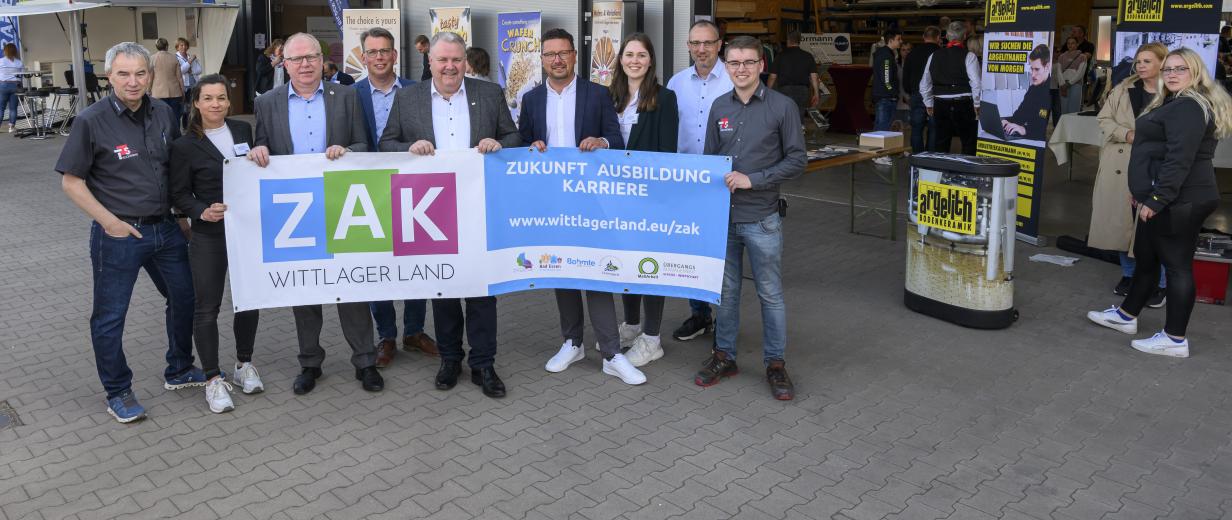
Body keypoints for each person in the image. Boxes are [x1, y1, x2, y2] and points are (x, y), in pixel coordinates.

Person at [55, 42, 202, 423]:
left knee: (185, 298)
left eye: (140, 73)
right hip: (119, 234)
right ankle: (118, 391)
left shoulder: (165, 115)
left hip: (166, 230)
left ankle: (180, 369)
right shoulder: (91, 120)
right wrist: (109, 222)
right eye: (124, 74)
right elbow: (72, 182)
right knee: (109, 317)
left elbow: (173, 172)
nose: (133, 82)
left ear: (151, 75)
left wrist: (183, 220)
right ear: (109, 76)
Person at [380, 31, 522, 398]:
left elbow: (513, 136)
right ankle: (449, 358)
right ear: (430, 63)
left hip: (479, 207)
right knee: (443, 288)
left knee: (480, 290)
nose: (449, 66)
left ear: (465, 62)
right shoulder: (407, 98)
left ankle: (484, 363)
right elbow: (386, 144)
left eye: (456, 60)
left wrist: (498, 143)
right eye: (442, 60)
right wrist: (409, 148)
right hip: (432, 212)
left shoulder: (488, 94)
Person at [245, 32, 383, 394]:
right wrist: (258, 151)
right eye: (296, 59)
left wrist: (346, 149)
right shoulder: (267, 103)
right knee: (304, 289)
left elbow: (362, 145)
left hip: (343, 206)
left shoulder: (347, 96)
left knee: (351, 287)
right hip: (295, 212)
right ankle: (310, 363)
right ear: (284, 64)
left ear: (323, 61)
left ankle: (365, 361)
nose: (305, 65)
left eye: (312, 57)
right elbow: (262, 145)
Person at [517, 28, 643, 385]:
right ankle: (572, 342)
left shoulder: (597, 94)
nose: (557, 60)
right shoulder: (531, 99)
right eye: (549, 54)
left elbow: (616, 140)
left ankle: (611, 352)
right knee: (562, 270)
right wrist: (531, 146)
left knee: (597, 270)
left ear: (574, 56)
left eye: (563, 53)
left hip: (591, 200)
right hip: (552, 201)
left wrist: (600, 140)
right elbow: (523, 142)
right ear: (542, 59)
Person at [1086, 47, 1231, 358]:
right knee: (1146, 257)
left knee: (1177, 268)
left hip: (1180, 199)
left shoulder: (1189, 106)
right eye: (1169, 69)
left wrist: (1157, 197)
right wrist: (1142, 190)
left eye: (1181, 69)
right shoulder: (1175, 102)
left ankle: (1175, 338)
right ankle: (1127, 316)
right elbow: (1162, 151)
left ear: (1195, 73)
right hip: (1164, 197)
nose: (1172, 74)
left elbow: (1180, 159)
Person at [696, 35, 805, 400]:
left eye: (748, 62)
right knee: (725, 295)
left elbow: (797, 159)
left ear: (761, 65)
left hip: (762, 219)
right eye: (734, 63)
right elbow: (710, 162)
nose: (740, 69)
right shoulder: (718, 107)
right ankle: (724, 355)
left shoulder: (782, 106)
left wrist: (753, 180)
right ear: (726, 66)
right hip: (723, 220)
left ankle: (775, 364)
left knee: (770, 295)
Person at [168, 74, 264, 413]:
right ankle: (212, 379)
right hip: (209, 234)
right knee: (207, 307)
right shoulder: (183, 145)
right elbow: (178, 193)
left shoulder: (242, 131)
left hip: (245, 231)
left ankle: (243, 364)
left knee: (248, 300)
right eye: (208, 98)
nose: (215, 104)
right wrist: (200, 211)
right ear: (196, 103)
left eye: (221, 98)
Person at [352, 27, 435, 368]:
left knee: (417, 262)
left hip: (415, 189)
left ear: (395, 55)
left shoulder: (419, 91)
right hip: (369, 191)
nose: (380, 57)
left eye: (385, 51)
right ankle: (386, 335)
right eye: (373, 52)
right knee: (377, 266)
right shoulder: (348, 94)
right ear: (364, 57)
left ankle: (414, 331)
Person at [609, 33, 679, 367]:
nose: (634, 60)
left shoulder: (665, 98)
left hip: (649, 199)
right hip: (615, 198)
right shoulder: (609, 96)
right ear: (620, 59)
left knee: (650, 267)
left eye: (641, 55)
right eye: (628, 54)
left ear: (651, 60)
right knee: (625, 265)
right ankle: (632, 325)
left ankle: (652, 338)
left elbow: (667, 154)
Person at [665, 19, 732, 342]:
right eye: (695, 43)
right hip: (686, 183)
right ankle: (700, 315)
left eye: (708, 43)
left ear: (720, 44)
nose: (701, 49)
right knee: (692, 251)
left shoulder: (735, 79)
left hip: (724, 182)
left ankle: (726, 320)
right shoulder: (676, 83)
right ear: (688, 46)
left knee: (724, 252)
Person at [1089, 42, 1169, 304]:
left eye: (1147, 61)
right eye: (1138, 61)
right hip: (1120, 164)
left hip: (1157, 165)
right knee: (1121, 222)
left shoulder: (1174, 92)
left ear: (1162, 62)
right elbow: (1104, 119)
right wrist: (1127, 134)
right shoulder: (1124, 88)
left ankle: (1159, 282)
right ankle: (1128, 274)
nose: (1140, 66)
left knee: (1156, 225)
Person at [921, 21, 980, 155]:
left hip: (940, 103)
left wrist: (929, 103)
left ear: (946, 36)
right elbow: (976, 83)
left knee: (941, 143)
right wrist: (977, 104)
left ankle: (941, 174)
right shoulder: (969, 56)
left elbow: (924, 83)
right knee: (968, 142)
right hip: (963, 103)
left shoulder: (934, 56)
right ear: (964, 36)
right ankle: (966, 173)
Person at [999, 44, 1051, 141]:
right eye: (1031, 69)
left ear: (1047, 67)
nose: (1033, 74)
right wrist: (1005, 122)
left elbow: (1041, 127)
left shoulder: (1049, 91)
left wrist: (1024, 129)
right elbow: (1019, 115)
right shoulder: (1033, 89)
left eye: (1037, 69)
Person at [903, 27, 941, 153]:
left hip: (916, 94)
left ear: (923, 37)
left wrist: (910, 92)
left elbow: (906, 77)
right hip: (936, 95)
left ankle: (918, 157)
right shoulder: (941, 53)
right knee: (934, 128)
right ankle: (930, 157)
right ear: (938, 38)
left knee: (916, 129)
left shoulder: (912, 54)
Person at [766, 31, 820, 119]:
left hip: (785, 90)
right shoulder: (808, 56)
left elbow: (772, 77)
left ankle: (787, 131)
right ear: (799, 41)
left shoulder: (780, 56)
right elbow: (814, 77)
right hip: (803, 90)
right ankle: (800, 129)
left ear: (788, 40)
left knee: (786, 116)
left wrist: (767, 91)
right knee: (800, 114)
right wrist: (816, 93)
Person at [150, 38, 184, 128]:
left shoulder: (152, 58)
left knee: (161, 117)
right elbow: (179, 77)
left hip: (158, 93)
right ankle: (176, 136)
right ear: (167, 46)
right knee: (175, 116)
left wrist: (148, 90)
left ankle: (164, 136)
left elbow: (150, 77)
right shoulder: (174, 58)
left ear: (157, 47)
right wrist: (183, 91)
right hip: (175, 92)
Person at [1056, 37, 1088, 116]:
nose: (1070, 45)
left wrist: (1069, 84)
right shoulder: (1061, 57)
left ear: (1077, 44)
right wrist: (1062, 84)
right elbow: (1059, 72)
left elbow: (1080, 74)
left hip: (1076, 85)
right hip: (1063, 86)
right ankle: (1065, 128)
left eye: (1073, 43)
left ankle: (1072, 128)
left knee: (1073, 110)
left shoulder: (1082, 57)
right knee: (1064, 110)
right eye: (1068, 43)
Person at [175, 38, 202, 128]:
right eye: (181, 45)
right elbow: (181, 70)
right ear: (177, 47)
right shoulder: (176, 58)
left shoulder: (190, 56)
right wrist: (190, 62)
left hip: (194, 84)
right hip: (184, 86)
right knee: (185, 107)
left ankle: (193, 124)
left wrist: (191, 71)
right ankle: (186, 126)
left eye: (185, 45)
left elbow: (199, 70)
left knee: (194, 105)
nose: (184, 47)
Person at [0, 43, 21, 133]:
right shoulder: (19, 62)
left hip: (3, 85)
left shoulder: (1, 61)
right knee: (13, 108)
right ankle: (11, 127)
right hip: (15, 86)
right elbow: (21, 76)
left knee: (1, 108)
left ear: (5, 51)